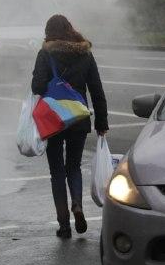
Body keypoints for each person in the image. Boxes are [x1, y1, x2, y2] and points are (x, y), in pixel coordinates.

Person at [31, 14, 108, 239]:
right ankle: (78, 205)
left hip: (54, 119)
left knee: (56, 172)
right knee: (73, 167)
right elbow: (96, 89)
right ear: (70, 29)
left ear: (48, 32)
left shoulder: (46, 53)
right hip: (78, 118)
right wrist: (101, 122)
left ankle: (64, 224)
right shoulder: (84, 53)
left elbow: (36, 86)